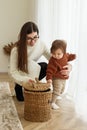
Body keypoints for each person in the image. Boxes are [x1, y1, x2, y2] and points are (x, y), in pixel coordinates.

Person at [9, 21, 72, 101]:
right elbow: (13, 72)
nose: (33, 41)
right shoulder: (16, 50)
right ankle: (18, 86)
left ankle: (32, 84)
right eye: (29, 38)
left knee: (45, 66)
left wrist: (69, 66)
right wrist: (24, 80)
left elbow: (54, 58)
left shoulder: (41, 44)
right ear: (23, 37)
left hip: (31, 70)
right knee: (21, 100)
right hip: (20, 73)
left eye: (35, 37)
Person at [46, 40, 76, 109]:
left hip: (63, 78)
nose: (56, 56)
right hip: (56, 78)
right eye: (53, 53)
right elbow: (49, 70)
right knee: (57, 90)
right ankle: (52, 103)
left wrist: (74, 56)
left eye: (58, 54)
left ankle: (55, 96)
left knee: (62, 90)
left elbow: (69, 56)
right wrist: (49, 79)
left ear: (63, 53)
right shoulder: (53, 61)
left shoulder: (65, 56)